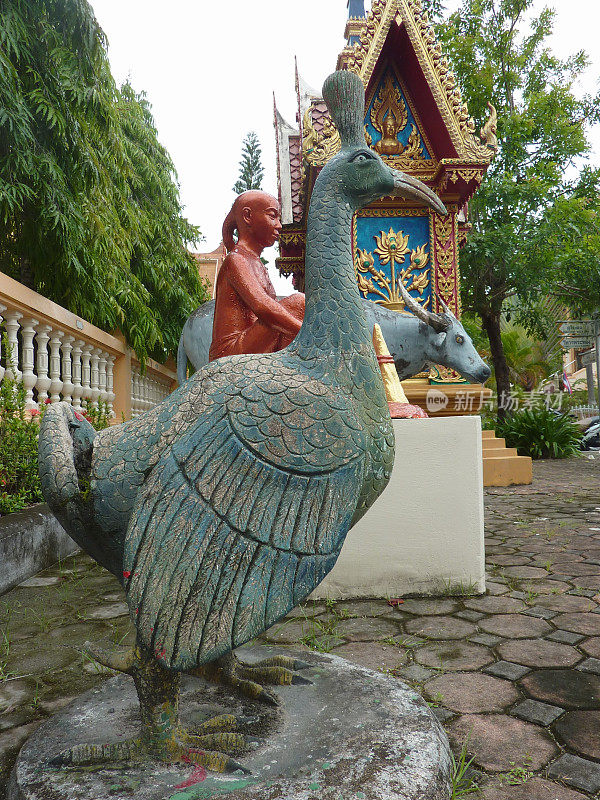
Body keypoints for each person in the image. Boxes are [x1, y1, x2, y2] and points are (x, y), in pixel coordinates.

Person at [209, 191, 305, 362]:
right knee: (297, 302)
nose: (279, 226)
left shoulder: (255, 263)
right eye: (272, 216)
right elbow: (264, 308)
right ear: (247, 216)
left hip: (251, 342)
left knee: (297, 305)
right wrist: (307, 332)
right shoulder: (236, 259)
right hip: (229, 353)